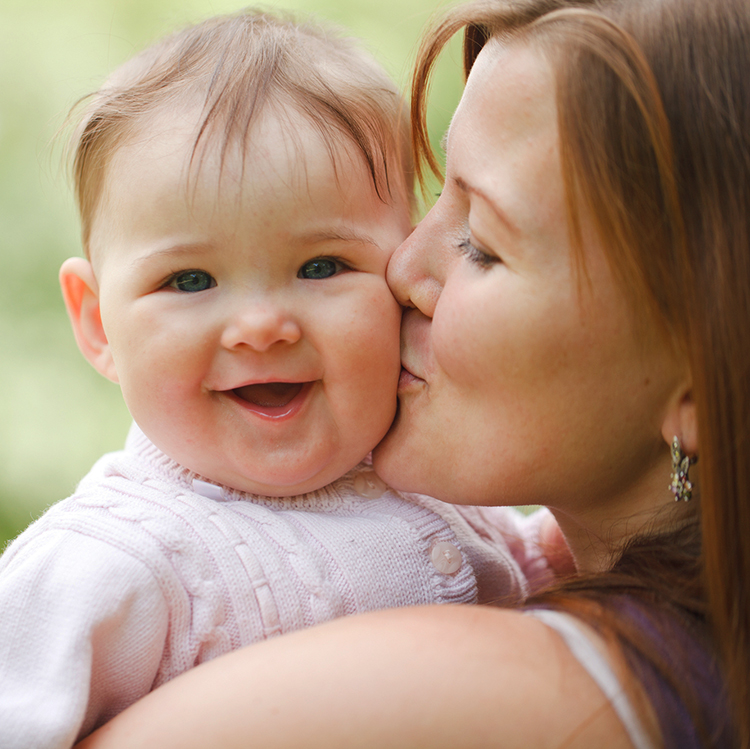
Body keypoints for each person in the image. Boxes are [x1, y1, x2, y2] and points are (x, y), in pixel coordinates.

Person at [72, 0, 750, 747]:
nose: (398, 267)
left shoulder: (536, 692)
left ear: (702, 383)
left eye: (481, 244)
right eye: (437, 200)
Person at [0, 10, 559, 749]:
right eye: (190, 279)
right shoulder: (108, 562)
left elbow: (548, 569)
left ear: (403, 268)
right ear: (99, 324)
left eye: (322, 266)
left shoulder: (433, 475)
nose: (262, 325)